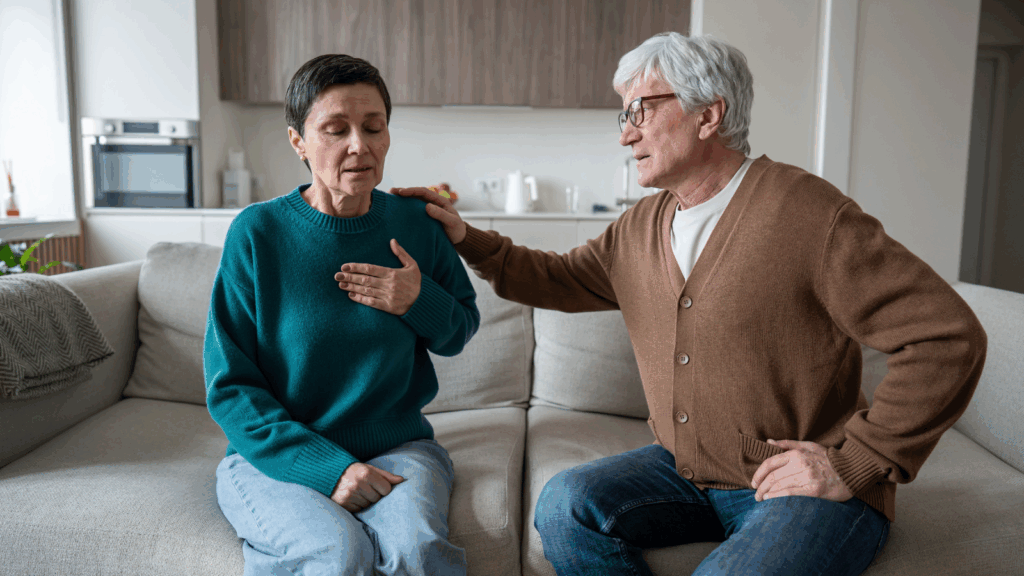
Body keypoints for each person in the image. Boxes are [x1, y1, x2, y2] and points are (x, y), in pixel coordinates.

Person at [389, 32, 987, 576]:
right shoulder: (641, 226)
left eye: (641, 110)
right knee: (566, 506)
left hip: (805, 490)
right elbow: (555, 279)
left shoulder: (808, 213)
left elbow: (946, 337)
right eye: (625, 115)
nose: (625, 133)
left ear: (709, 114)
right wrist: (468, 238)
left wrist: (854, 463)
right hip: (686, 474)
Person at [204, 54, 479, 576]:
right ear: (298, 141)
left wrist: (417, 301)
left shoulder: (417, 225)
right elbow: (231, 387)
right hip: (282, 456)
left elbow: (459, 330)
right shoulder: (257, 234)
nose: (360, 145)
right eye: (336, 129)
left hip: (399, 448)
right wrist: (331, 470)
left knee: (417, 553)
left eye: (374, 127)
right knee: (337, 555)